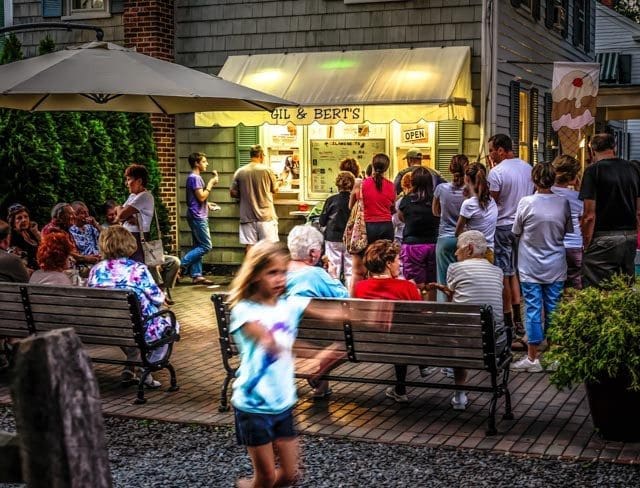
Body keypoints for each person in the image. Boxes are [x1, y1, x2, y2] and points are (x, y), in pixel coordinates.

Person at [228, 240, 363, 488]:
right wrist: (317, 356)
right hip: (253, 404)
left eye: (283, 272)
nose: (280, 279)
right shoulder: (244, 310)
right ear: (255, 275)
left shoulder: (290, 304)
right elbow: (270, 341)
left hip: (283, 402)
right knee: (266, 477)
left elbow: (333, 313)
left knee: (290, 475)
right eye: (272, 273)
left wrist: (368, 313)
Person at [88, 226, 179, 388]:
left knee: (131, 330)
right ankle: (147, 366)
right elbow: (158, 298)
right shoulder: (137, 269)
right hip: (139, 326)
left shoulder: (96, 270)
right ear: (128, 244)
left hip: (105, 327)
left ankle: (135, 365)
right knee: (171, 325)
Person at [428, 230, 507, 410]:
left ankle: (460, 396)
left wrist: (448, 293)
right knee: (468, 331)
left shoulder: (454, 268)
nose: (455, 253)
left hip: (462, 346)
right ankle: (494, 389)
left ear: (469, 248)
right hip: (493, 346)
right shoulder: (497, 272)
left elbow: (452, 306)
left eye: (458, 249)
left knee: (459, 334)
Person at [511, 162, 572, 373]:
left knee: (533, 309)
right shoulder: (563, 203)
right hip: (555, 261)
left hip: (529, 263)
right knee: (554, 308)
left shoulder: (526, 202)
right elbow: (567, 230)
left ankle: (532, 357)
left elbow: (516, 230)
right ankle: (555, 355)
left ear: (534, 180)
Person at [353, 240, 423, 403]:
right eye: (398, 260)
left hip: (368, 345)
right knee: (402, 336)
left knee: (398, 336)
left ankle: (400, 389)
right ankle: (401, 388)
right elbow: (420, 317)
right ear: (388, 263)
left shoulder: (360, 287)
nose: (400, 264)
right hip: (402, 345)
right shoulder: (407, 287)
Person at [286, 225, 349, 399]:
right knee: (335, 335)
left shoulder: (277, 273)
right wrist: (334, 277)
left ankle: (321, 388)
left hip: (282, 337)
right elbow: (345, 298)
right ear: (313, 253)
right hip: (312, 342)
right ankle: (320, 383)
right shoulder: (316, 275)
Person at [579, 133, 640, 287]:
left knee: (596, 286)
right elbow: (638, 210)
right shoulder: (633, 169)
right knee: (625, 285)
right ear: (614, 147)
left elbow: (589, 215)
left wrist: (586, 243)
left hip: (603, 236)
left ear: (592, 150)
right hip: (629, 235)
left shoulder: (593, 171)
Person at [487, 134, 534, 332]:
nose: (490, 155)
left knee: (504, 274)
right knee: (515, 272)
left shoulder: (496, 172)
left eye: (491, 150)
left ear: (500, 150)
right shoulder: (528, 168)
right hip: (523, 225)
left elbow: (491, 202)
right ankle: (518, 316)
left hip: (502, 225)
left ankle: (507, 318)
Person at [349, 153, 396, 293]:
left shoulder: (362, 185)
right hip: (386, 227)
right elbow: (392, 208)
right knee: (384, 266)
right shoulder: (391, 186)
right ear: (387, 168)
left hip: (367, 228)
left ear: (372, 165)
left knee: (359, 271)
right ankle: (384, 296)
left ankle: (356, 301)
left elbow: (351, 206)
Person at [397, 167, 440, 300]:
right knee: (432, 283)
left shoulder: (406, 200)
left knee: (415, 284)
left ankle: (418, 311)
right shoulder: (435, 199)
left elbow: (401, 218)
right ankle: (432, 311)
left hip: (412, 245)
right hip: (433, 244)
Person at [230, 145, 282, 251]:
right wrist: (280, 182)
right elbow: (275, 189)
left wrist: (246, 193)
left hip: (247, 215)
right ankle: (266, 268)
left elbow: (233, 193)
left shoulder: (240, 171)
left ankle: (250, 267)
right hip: (266, 216)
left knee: (249, 247)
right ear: (261, 155)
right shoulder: (267, 170)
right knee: (269, 248)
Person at [433, 155, 468, 301]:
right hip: (465, 239)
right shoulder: (469, 192)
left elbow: (435, 212)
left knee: (443, 280)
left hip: (445, 239)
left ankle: (444, 313)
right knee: (463, 280)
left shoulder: (441, 189)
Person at [182, 152, 219, 286]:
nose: (206, 164)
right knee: (206, 246)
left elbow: (196, 199)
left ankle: (197, 275)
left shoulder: (195, 178)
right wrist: (211, 183)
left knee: (198, 245)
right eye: (204, 161)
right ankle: (180, 265)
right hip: (197, 216)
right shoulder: (195, 178)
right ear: (197, 163)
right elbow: (201, 196)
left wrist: (207, 205)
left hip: (197, 213)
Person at [552, 155, 584, 289]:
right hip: (575, 244)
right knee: (576, 285)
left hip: (552, 244)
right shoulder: (579, 197)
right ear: (573, 177)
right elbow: (584, 219)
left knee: (553, 287)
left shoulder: (546, 194)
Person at [455, 162, 498, 261]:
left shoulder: (468, 204)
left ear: (467, 179)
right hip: (489, 251)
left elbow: (458, 232)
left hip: (472, 252)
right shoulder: (491, 201)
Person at [319, 171, 355, 287]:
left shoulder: (331, 200)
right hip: (350, 238)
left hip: (333, 237)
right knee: (350, 271)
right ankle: (350, 295)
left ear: (337, 184)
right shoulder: (356, 200)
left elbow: (322, 221)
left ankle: (333, 293)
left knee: (333, 268)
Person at [116, 164, 155, 264]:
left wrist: (120, 209)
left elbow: (121, 215)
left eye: (129, 179)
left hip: (138, 238)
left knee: (136, 265)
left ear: (139, 181)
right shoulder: (132, 196)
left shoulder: (145, 196)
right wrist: (120, 209)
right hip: (129, 237)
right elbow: (119, 216)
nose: (127, 183)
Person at [42, 202, 96, 267]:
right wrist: (87, 258)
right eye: (71, 214)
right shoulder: (52, 230)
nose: (74, 216)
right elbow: (65, 252)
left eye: (74, 214)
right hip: (58, 268)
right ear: (61, 216)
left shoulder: (65, 228)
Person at [7, 203, 41, 272]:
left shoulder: (31, 234)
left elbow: (46, 247)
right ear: (13, 222)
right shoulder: (13, 239)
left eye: (26, 217)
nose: (24, 220)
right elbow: (18, 266)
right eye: (19, 218)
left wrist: (36, 233)